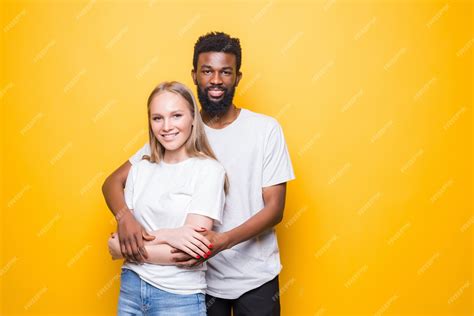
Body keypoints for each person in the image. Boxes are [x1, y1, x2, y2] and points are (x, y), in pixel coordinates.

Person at [102, 32, 295, 316]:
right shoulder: (178, 131)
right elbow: (113, 182)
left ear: (238, 77)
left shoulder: (265, 130)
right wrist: (125, 217)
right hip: (201, 281)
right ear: (194, 75)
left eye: (225, 71)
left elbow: (275, 208)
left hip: (255, 276)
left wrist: (223, 241)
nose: (215, 79)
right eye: (207, 71)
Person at [107, 81, 227, 315]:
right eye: (157, 118)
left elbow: (190, 252)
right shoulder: (140, 169)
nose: (166, 126)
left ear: (193, 118)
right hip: (131, 289)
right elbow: (119, 238)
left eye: (176, 116)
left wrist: (125, 249)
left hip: (178, 298)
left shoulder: (209, 171)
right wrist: (172, 234)